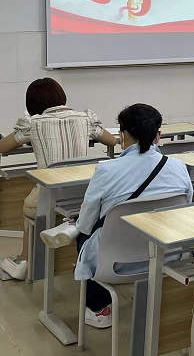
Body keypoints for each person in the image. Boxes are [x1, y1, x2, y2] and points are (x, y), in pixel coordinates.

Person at [73, 104, 193, 328]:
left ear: (122, 135)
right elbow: (185, 207)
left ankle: (99, 308)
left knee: (83, 235)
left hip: (115, 264)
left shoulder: (106, 170)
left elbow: (86, 223)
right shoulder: (179, 167)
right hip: (168, 257)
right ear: (158, 135)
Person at [0, 78, 117, 281]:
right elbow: (112, 140)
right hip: (84, 194)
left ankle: (24, 261)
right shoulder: (85, 119)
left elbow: (3, 147)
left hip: (49, 196)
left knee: (30, 205)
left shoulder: (33, 124)